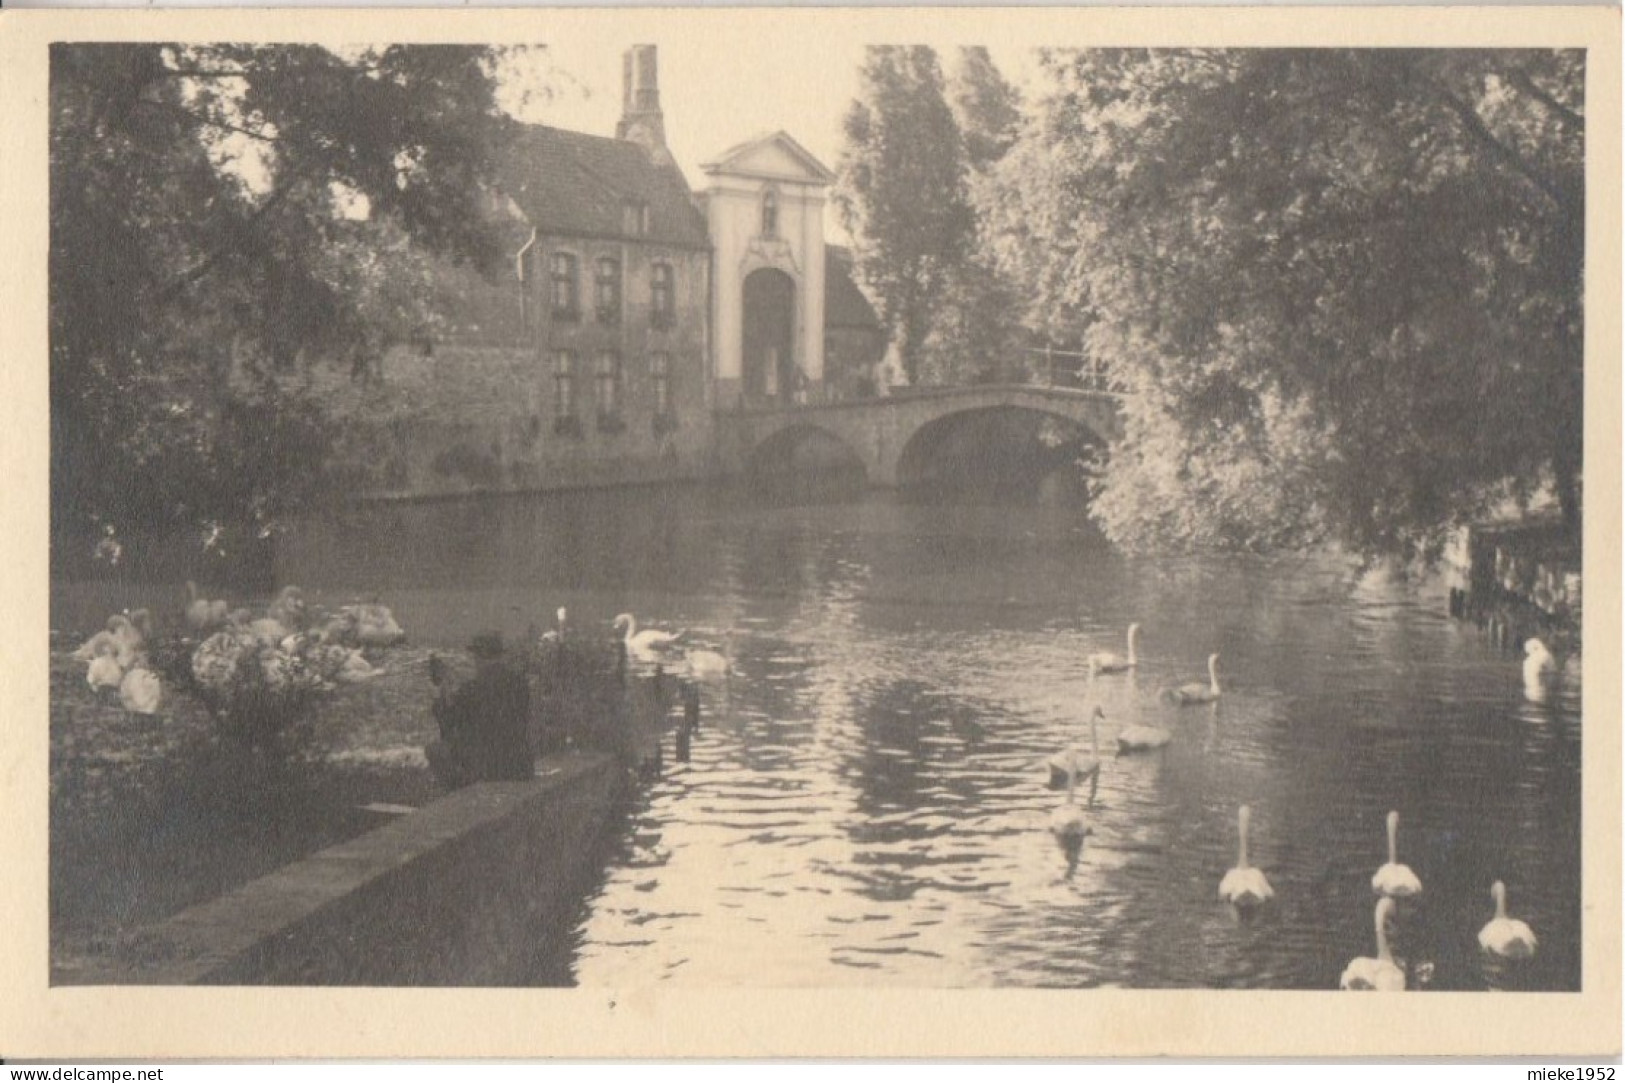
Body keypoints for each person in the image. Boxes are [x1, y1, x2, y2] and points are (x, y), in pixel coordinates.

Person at [425, 632, 534, 789]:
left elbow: (448, 728)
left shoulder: (472, 689)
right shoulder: (520, 683)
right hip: (520, 766)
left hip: (488, 770)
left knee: (434, 750)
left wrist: (442, 692)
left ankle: (457, 798)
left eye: (475, 656)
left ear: (480, 656)